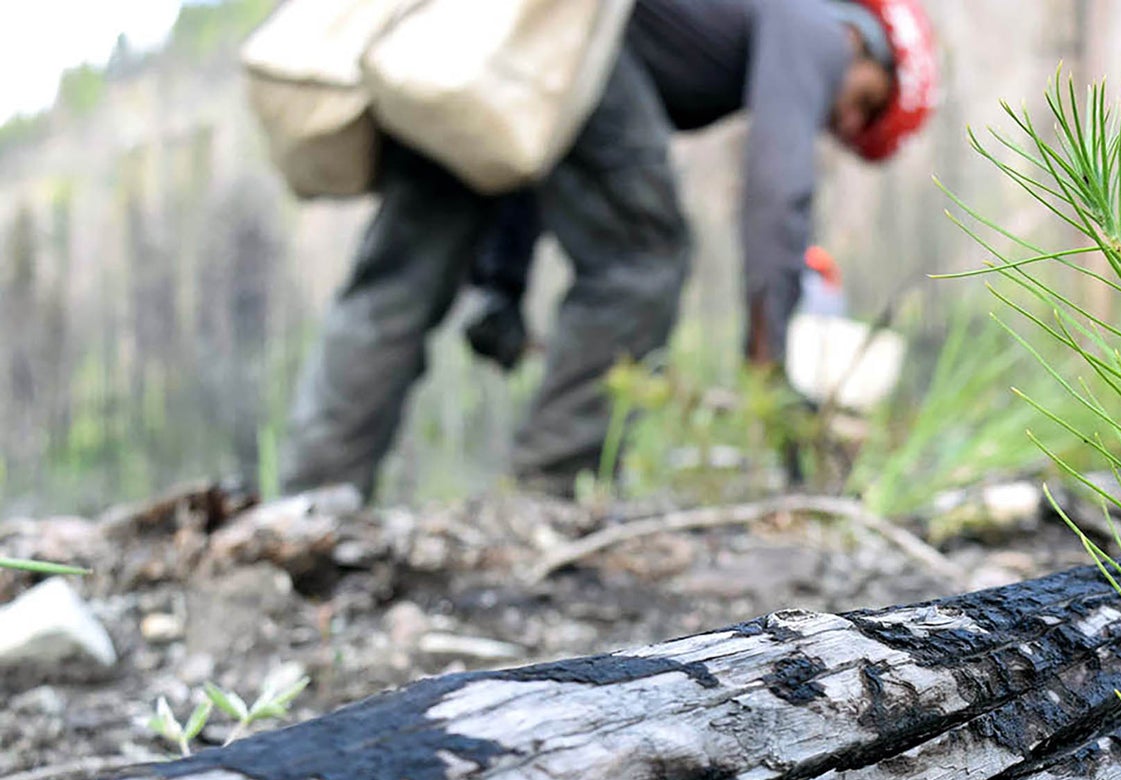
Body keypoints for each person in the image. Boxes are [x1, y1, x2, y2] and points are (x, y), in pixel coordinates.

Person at [284, 0, 937, 500]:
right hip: (562, 41)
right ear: (872, 50)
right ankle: (549, 494)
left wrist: (499, 283)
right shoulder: (820, 27)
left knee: (395, 282)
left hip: (476, 42)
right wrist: (773, 360)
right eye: (864, 107)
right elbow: (778, 191)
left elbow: (535, 129)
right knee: (642, 259)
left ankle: (307, 505)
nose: (842, 125)